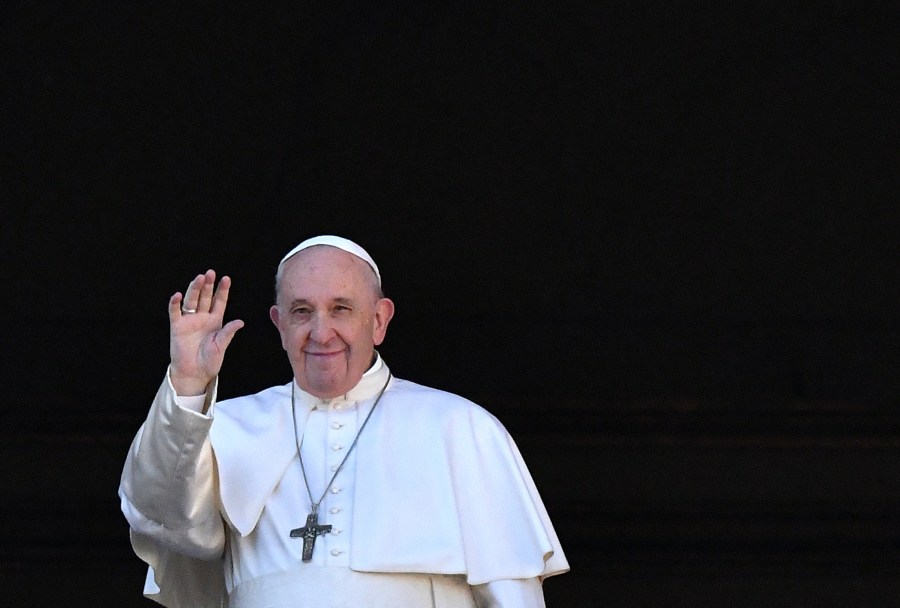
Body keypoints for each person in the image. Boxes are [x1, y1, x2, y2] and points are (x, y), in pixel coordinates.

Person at [118, 235, 569, 607]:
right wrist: (189, 382)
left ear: (378, 320)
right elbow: (162, 520)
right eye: (301, 311)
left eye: (341, 309)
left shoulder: (461, 428)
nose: (320, 332)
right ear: (278, 324)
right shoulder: (225, 428)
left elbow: (513, 594)